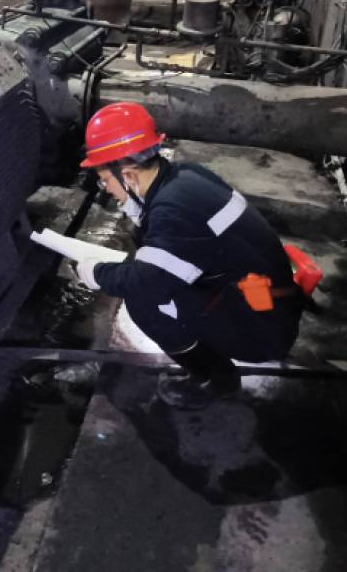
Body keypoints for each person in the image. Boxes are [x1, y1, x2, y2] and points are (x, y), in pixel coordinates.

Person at [74, 102, 306, 409]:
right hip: (271, 306)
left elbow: (149, 281)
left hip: (261, 331)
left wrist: (95, 273)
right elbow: (173, 245)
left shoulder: (173, 210)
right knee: (144, 270)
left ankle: (216, 380)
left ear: (128, 175)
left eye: (105, 181)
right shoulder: (185, 175)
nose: (106, 190)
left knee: (143, 301)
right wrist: (141, 216)